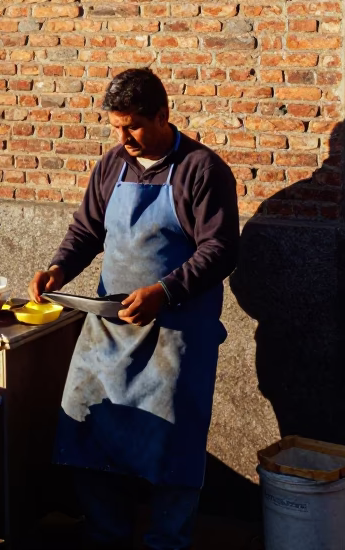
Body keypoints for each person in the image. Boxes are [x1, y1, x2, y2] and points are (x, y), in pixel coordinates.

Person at [30, 67, 240, 550]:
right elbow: (86, 231)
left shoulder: (202, 170)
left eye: (133, 126)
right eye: (116, 127)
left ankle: (167, 541)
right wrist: (59, 268)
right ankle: (107, 535)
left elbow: (220, 250)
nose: (123, 137)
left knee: (174, 443)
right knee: (85, 427)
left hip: (177, 333)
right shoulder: (111, 167)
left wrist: (164, 292)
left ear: (164, 116)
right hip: (109, 330)